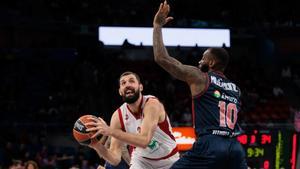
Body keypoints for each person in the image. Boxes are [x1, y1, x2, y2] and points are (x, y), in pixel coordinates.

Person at [152, 1, 248, 169]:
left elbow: (162, 58)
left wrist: (157, 26)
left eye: (203, 58)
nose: (199, 61)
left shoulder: (201, 77)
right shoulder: (236, 89)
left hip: (210, 144)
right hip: (235, 146)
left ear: (211, 62)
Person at [86, 71, 179, 169]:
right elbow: (115, 159)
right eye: (123, 83)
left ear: (141, 87)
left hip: (169, 159)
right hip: (141, 160)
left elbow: (144, 141)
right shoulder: (118, 116)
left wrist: (110, 131)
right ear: (120, 91)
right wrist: (96, 145)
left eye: (131, 81)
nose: (127, 85)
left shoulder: (152, 105)